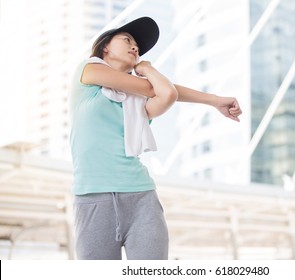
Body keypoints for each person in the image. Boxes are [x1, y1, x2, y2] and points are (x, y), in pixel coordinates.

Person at [69, 16, 242, 260]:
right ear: (106, 46)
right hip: (92, 200)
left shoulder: (138, 104)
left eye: (137, 46)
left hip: (141, 199)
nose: (134, 47)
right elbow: (154, 89)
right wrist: (147, 76)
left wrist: (214, 100)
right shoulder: (88, 71)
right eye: (127, 39)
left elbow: (167, 93)